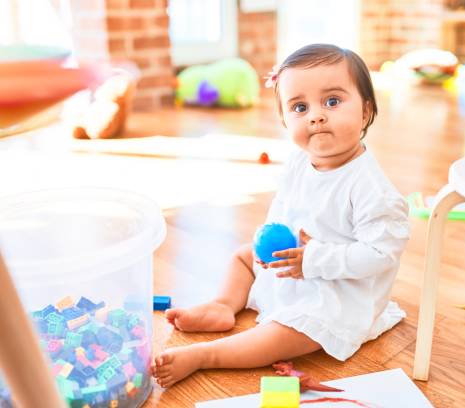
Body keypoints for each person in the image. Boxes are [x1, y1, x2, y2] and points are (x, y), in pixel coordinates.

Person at [152, 43, 410, 388]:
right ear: (285, 120)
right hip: (295, 265)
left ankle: (207, 355)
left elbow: (380, 255)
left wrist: (315, 259)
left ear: (365, 112)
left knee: (291, 331)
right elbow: (287, 206)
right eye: (300, 107)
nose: (316, 115)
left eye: (332, 102)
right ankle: (224, 305)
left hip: (338, 291)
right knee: (243, 257)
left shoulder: (371, 190)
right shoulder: (299, 161)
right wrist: (269, 241)